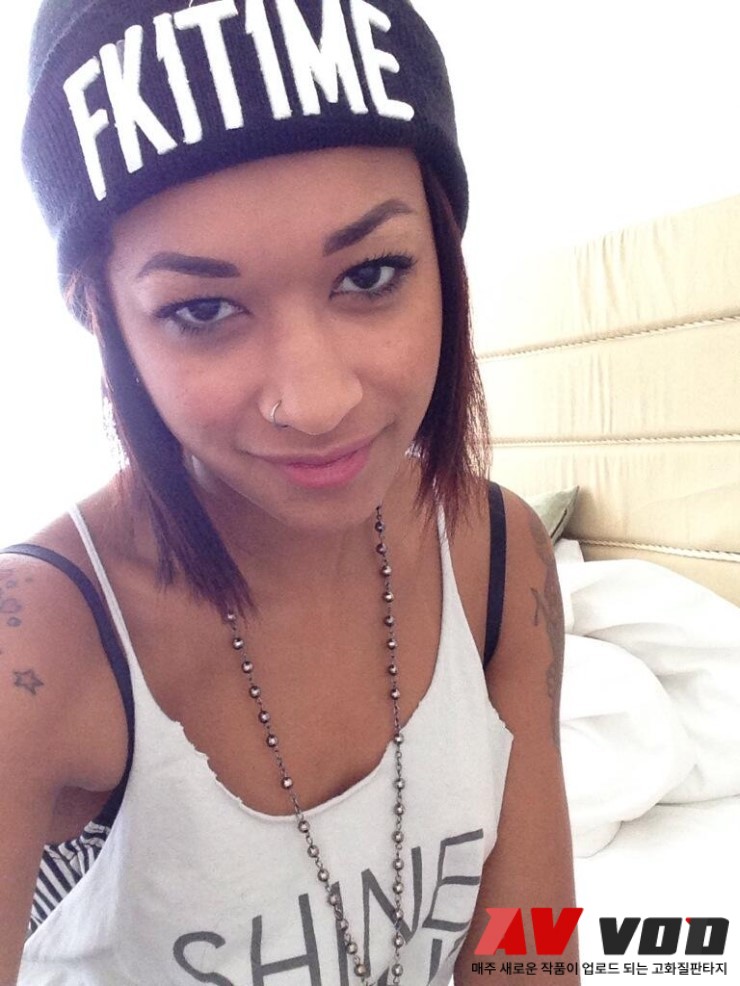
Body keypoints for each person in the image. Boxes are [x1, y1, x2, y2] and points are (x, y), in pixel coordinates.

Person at [1, 1, 579, 984]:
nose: (315, 402)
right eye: (202, 309)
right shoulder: (37, 647)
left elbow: (531, 956)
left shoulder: (498, 552)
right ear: (102, 317)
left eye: (372, 273)